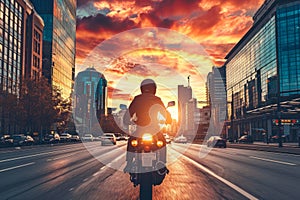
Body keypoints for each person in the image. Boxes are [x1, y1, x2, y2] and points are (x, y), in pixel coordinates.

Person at [123, 79, 172, 172]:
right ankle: (162, 164)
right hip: (154, 129)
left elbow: (128, 113)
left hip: (140, 129)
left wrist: (126, 121)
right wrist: (168, 120)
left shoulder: (137, 99)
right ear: (154, 89)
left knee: (131, 141)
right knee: (162, 141)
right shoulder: (157, 99)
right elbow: (164, 112)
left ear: (142, 88)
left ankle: (129, 164)